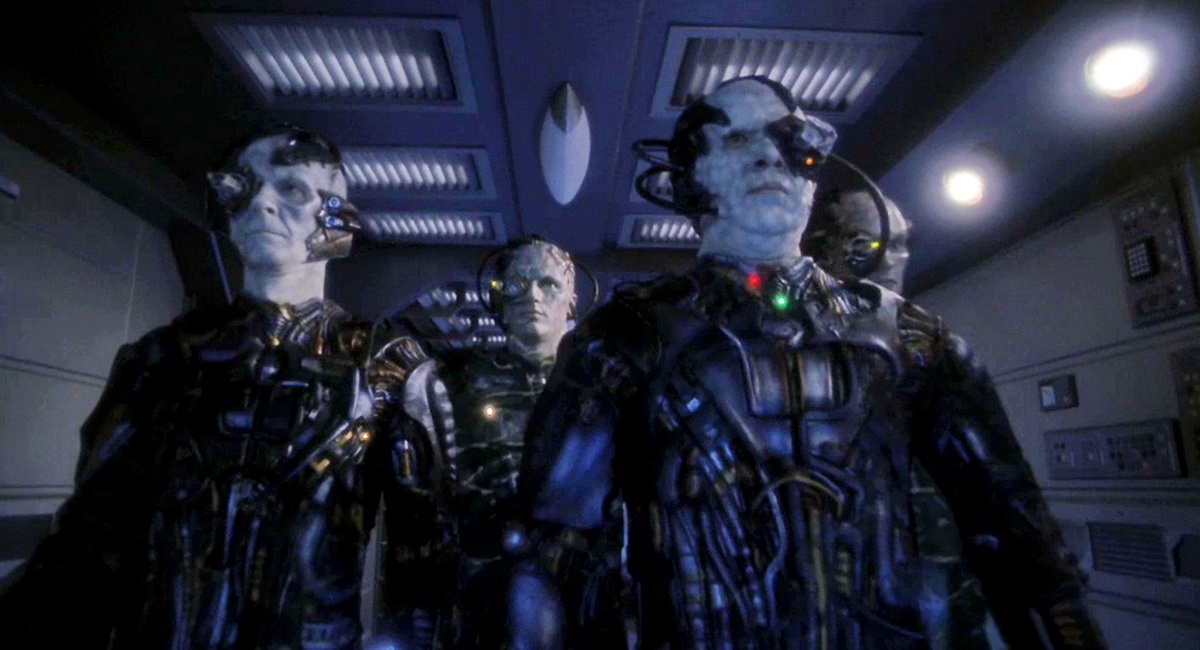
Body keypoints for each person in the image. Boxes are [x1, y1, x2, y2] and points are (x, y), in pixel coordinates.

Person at [506, 76, 1106, 649]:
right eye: (738, 139)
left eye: (787, 139)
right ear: (692, 177)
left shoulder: (911, 339)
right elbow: (550, 555)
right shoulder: (624, 339)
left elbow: (1020, 542)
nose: (770, 156)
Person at [0, 125, 400, 649]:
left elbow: (424, 559)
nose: (261, 204)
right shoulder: (163, 358)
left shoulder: (382, 364)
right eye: (242, 186)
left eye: (291, 188)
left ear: (336, 218)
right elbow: (91, 534)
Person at [373, 237, 625, 648]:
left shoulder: (606, 390)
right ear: (499, 299)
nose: (532, 296)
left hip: (584, 603)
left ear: (571, 301)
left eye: (548, 284)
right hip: (477, 603)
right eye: (517, 284)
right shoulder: (448, 383)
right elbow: (413, 517)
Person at [804, 190, 991, 648]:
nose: (890, 259)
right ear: (824, 249)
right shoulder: (789, 355)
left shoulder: (932, 355)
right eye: (867, 244)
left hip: (938, 596)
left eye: (901, 243)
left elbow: (995, 491)